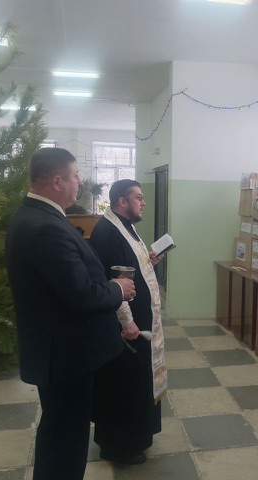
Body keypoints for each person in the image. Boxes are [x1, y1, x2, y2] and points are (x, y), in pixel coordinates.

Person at [5, 148, 136, 480]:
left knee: (61, 432)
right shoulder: (44, 227)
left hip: (60, 349)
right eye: (76, 175)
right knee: (65, 438)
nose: (80, 182)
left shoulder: (37, 216)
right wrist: (118, 288)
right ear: (57, 181)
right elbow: (81, 295)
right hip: (65, 354)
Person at [89, 179, 167, 465]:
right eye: (138, 197)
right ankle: (119, 447)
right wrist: (127, 323)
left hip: (138, 325)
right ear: (122, 201)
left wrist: (146, 259)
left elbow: (128, 266)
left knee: (136, 383)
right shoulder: (107, 233)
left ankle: (135, 439)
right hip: (127, 329)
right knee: (122, 385)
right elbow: (111, 282)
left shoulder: (124, 226)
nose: (143, 202)